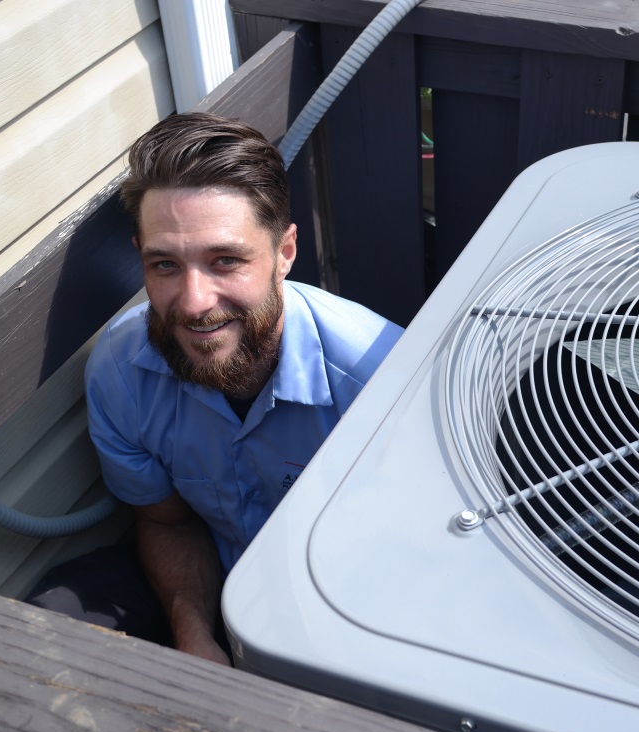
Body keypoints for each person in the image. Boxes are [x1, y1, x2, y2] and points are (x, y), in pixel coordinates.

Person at [27, 113, 403, 664]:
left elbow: (414, 563)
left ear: (284, 253)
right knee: (51, 625)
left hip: (355, 608)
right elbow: (166, 520)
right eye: (165, 264)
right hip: (218, 576)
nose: (194, 301)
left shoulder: (385, 382)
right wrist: (195, 634)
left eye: (225, 260)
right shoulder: (121, 369)